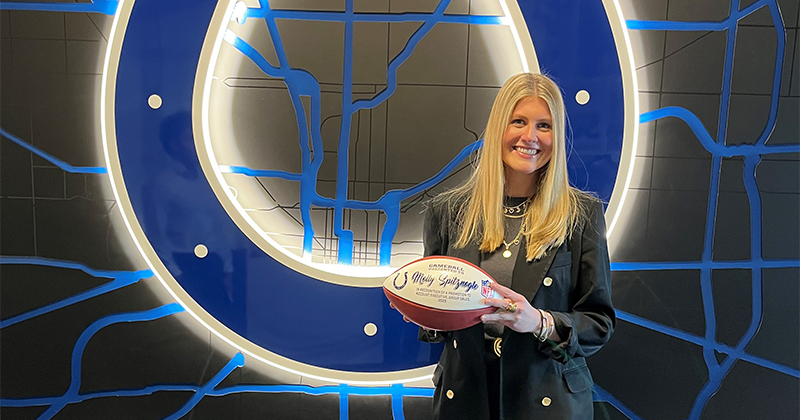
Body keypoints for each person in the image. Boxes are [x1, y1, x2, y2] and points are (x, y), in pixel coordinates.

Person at [416, 73, 614, 420]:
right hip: (465, 399)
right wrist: (426, 314)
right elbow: (437, 322)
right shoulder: (447, 212)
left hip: (546, 402)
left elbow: (598, 323)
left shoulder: (581, 215)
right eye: (518, 122)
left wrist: (539, 321)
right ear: (499, 128)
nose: (530, 137)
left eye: (544, 125)